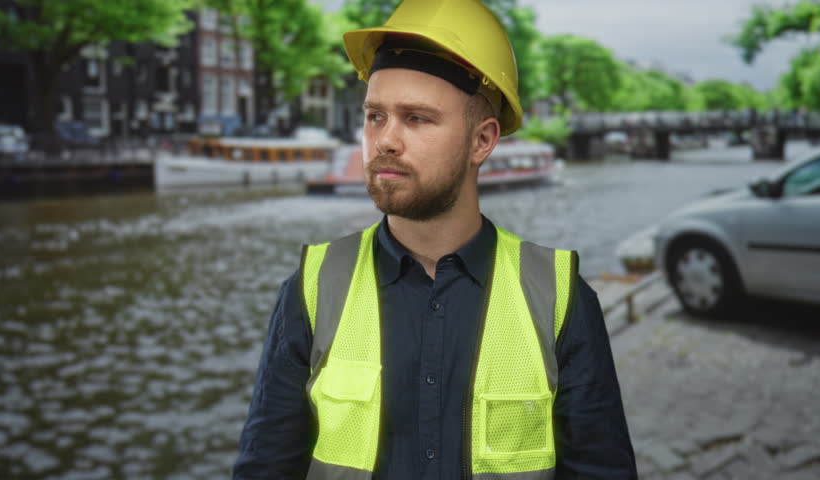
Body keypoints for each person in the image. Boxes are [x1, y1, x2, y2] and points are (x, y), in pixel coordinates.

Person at [232, 0, 637, 478]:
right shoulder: (311, 289)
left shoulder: (561, 299)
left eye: (417, 118)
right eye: (375, 116)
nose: (385, 140)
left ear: (482, 142)